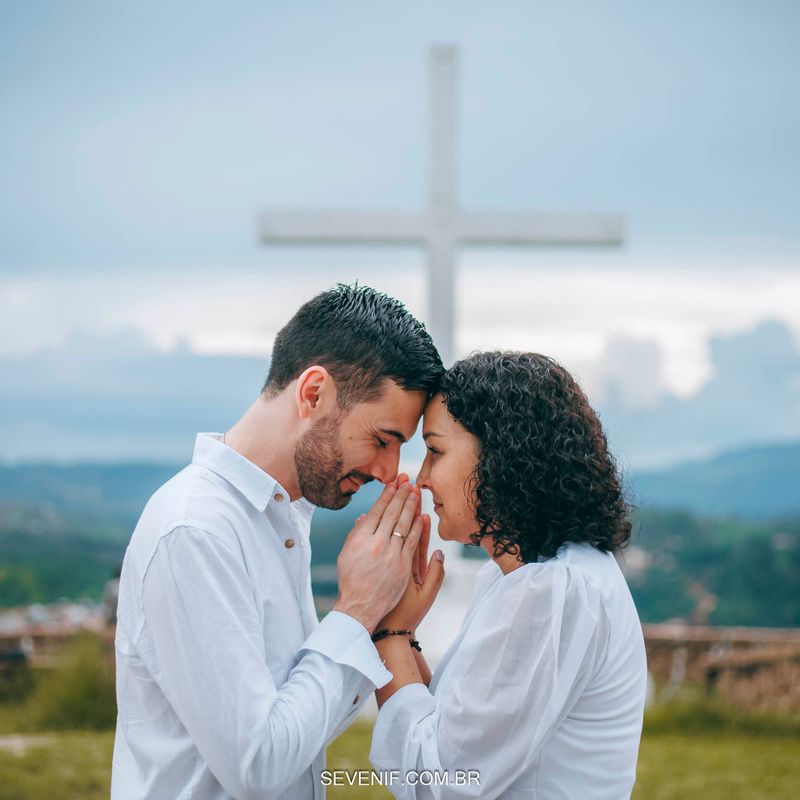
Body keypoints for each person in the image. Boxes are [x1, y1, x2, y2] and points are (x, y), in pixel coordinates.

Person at [110, 284, 444, 800]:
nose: (387, 471)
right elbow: (260, 767)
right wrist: (356, 612)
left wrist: (382, 623)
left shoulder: (285, 521)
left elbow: (299, 727)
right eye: (381, 440)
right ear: (313, 393)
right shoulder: (196, 533)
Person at [367, 352, 648, 799]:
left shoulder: (550, 593)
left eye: (436, 452)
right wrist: (404, 633)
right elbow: (451, 725)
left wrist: (388, 630)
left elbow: (441, 782)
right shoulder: (528, 578)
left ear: (501, 458)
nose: (421, 479)